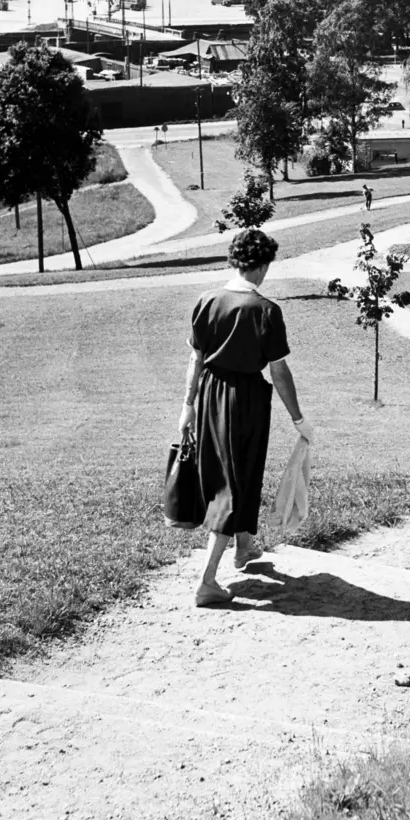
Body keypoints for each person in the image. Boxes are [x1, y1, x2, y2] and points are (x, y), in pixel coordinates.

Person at [177, 228, 313, 607]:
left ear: (234, 260)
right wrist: (299, 419)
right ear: (264, 265)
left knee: (237, 475)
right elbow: (279, 372)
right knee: (232, 486)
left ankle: (244, 548)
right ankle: (206, 581)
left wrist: (187, 406)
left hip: (209, 397)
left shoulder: (206, 301)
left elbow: (196, 359)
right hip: (246, 401)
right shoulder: (266, 311)